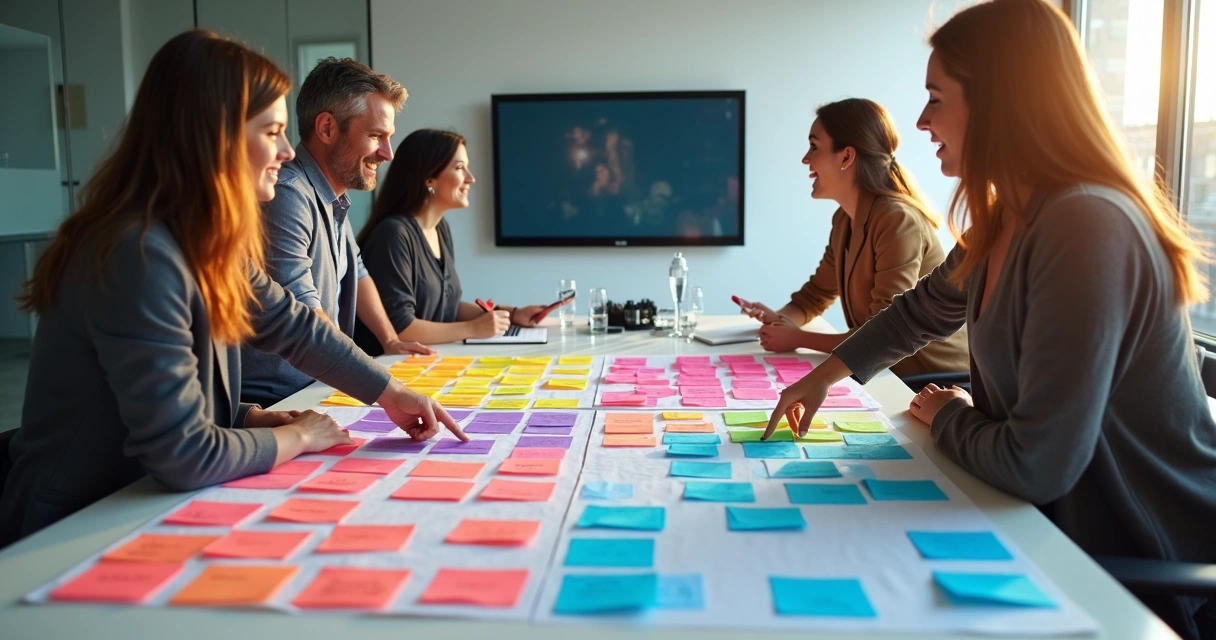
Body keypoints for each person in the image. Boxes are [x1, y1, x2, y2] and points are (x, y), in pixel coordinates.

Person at [764, 2, 1216, 637]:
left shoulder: (1086, 224)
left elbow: (1038, 463)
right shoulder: (1009, 218)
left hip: (1142, 569)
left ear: (1001, 104)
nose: (920, 121)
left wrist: (948, 412)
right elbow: (918, 312)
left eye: (935, 99)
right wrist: (824, 377)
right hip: (1055, 528)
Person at [0, 31, 466, 548]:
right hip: (75, 527)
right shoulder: (141, 253)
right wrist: (297, 436)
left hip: (136, 502)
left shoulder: (202, 241)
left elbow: (292, 325)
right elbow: (184, 454)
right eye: (273, 132)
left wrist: (383, 395)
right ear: (213, 137)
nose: (289, 153)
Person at [239, 57, 435, 408]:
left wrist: (389, 340)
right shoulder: (287, 194)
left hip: (317, 386)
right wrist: (382, 387)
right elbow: (303, 317)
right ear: (327, 128)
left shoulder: (333, 198)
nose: (388, 154)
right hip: (279, 400)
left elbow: (357, 271)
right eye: (376, 135)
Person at [734, 98, 968, 380]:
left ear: (846, 156)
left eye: (814, 146)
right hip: (884, 372)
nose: (805, 159)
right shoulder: (844, 219)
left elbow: (883, 329)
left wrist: (798, 338)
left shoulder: (897, 219)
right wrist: (779, 321)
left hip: (929, 380)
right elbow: (814, 297)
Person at [354, 129, 548, 349]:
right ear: (429, 177)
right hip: (390, 367)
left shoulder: (440, 229)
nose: (470, 178)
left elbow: (447, 307)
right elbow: (403, 329)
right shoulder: (393, 235)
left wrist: (512, 315)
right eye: (459, 168)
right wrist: (473, 329)